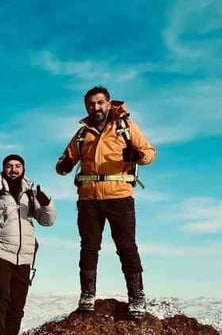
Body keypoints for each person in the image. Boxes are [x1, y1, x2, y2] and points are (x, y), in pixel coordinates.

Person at [54, 86, 156, 315]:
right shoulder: (82, 134)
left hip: (119, 195)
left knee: (126, 246)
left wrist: (138, 155)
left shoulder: (124, 126)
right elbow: (64, 162)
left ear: (108, 103)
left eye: (100, 102)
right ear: (86, 106)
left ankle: (137, 297)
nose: (96, 107)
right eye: (91, 104)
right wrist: (64, 165)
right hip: (88, 198)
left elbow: (149, 152)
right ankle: (87, 296)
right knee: (88, 248)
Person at [0, 154, 56, 335]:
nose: (14, 170)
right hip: (2, 253)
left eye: (17, 166)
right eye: (9, 166)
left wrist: (47, 204)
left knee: (17, 304)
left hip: (25, 256)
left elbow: (47, 221)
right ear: (3, 169)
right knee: (0, 299)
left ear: (23, 169)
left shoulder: (31, 193)